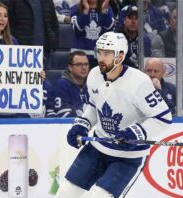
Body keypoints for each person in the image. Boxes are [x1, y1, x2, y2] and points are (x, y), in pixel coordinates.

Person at [56, 32, 172, 198]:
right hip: (97, 149)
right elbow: (94, 106)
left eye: (107, 53)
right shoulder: (94, 75)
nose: (101, 57)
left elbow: (163, 118)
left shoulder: (139, 82)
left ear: (120, 56)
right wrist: (82, 124)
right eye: (99, 52)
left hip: (127, 158)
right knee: (64, 194)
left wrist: (136, 132)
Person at [3, 0, 59, 66]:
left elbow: (54, 23)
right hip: (20, 53)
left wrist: (53, 43)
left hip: (45, 52)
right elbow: (6, 25)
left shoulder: (47, 1)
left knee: (43, 76)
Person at [70, 0, 115, 68]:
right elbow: (77, 30)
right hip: (80, 58)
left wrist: (104, 11)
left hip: (101, 57)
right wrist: (86, 11)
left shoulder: (107, 9)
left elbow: (110, 30)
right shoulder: (76, 9)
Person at [55, 50, 89, 117]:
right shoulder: (62, 84)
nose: (84, 68)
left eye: (86, 64)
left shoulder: (91, 84)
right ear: (70, 67)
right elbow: (63, 115)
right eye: (79, 64)